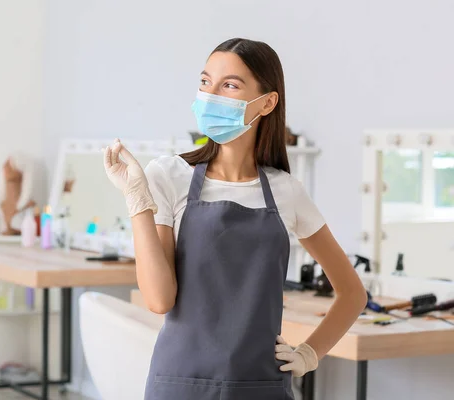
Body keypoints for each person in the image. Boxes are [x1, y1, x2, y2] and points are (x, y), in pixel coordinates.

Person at [103, 38, 367, 400]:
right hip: (180, 384)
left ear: (267, 102)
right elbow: (159, 299)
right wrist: (137, 200)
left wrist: (309, 354)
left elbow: (352, 293)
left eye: (229, 85)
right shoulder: (168, 175)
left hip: (261, 386)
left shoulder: (286, 191)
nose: (211, 95)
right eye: (204, 82)